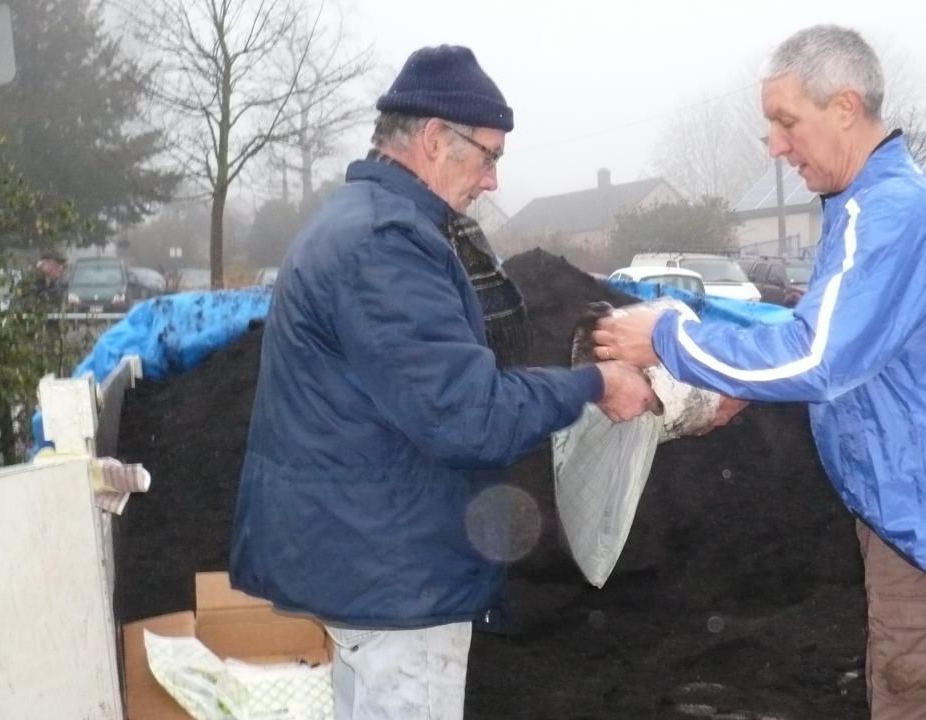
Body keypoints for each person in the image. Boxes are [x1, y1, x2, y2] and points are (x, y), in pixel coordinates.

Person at [593, 25, 926, 720]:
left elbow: (817, 356)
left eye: (786, 122)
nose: (776, 146)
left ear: (845, 107)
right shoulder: (867, 207)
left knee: (917, 693)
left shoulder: (889, 217)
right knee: (907, 681)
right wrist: (738, 381)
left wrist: (668, 337)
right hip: (919, 505)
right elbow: (830, 337)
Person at [229, 45, 657, 720]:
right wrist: (593, 384)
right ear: (434, 139)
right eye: (488, 155)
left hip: (361, 559)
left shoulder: (359, 223)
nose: (491, 181)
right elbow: (470, 416)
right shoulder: (385, 246)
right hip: (394, 582)